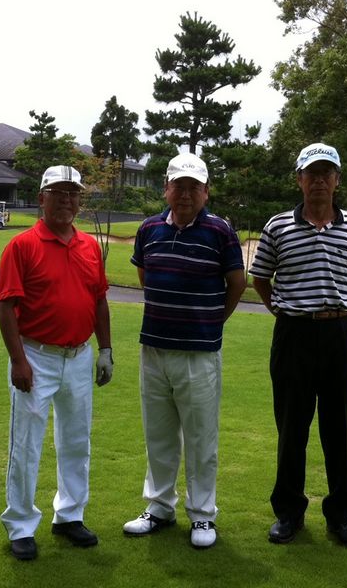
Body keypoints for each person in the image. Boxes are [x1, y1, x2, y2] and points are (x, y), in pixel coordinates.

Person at [248, 142, 347, 548]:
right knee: (292, 427)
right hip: (293, 335)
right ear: (299, 179)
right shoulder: (277, 226)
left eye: (326, 173)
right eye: (311, 173)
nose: (319, 180)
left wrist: (340, 308)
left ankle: (341, 515)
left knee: (339, 428)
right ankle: (289, 513)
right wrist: (284, 311)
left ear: (337, 180)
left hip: (339, 335)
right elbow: (261, 278)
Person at [122, 152, 246, 549]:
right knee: (158, 434)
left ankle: (202, 514)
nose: (186, 194)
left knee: (200, 437)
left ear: (206, 191)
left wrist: (210, 322)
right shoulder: (149, 228)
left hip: (199, 352)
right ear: (166, 188)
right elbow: (146, 274)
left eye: (194, 187)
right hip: (154, 348)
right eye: (179, 186)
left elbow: (237, 283)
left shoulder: (220, 231)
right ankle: (159, 506)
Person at [0, 165, 114, 561]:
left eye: (73, 193)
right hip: (36, 356)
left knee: (77, 441)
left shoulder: (89, 246)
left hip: (79, 355)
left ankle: (69, 515)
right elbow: (5, 306)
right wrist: (18, 360)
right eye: (58, 193)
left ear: (80, 201)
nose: (66, 200)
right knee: (26, 444)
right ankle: (20, 524)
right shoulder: (22, 246)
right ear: (41, 198)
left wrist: (106, 349)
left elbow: (99, 299)